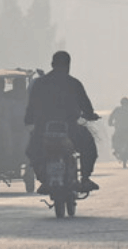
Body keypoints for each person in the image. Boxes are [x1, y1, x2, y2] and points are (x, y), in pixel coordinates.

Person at [24, 51, 100, 193]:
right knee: (89, 146)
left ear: (52, 64)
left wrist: (28, 120)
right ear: (68, 65)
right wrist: (90, 115)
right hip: (70, 128)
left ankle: (43, 179)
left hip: (43, 129)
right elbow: (86, 106)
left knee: (32, 150)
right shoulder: (74, 83)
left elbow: (31, 107)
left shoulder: (40, 84)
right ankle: (85, 179)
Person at [109, 97, 128, 163]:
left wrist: (110, 123)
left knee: (115, 138)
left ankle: (115, 150)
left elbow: (111, 117)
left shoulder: (117, 109)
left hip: (120, 129)